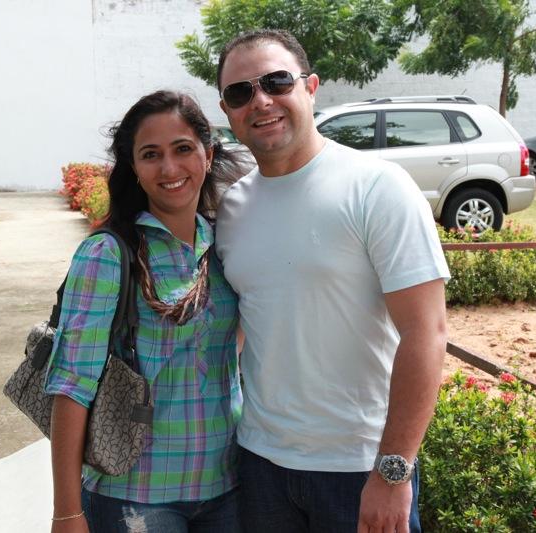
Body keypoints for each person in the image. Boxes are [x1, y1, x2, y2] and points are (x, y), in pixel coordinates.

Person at [215, 29, 451, 533]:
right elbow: (246, 323)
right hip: (259, 464)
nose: (261, 101)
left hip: (359, 468)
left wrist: (393, 471)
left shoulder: (377, 187)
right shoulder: (232, 208)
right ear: (227, 110)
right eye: (240, 92)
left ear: (310, 87)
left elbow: (426, 332)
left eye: (277, 82)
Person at [45, 90, 245, 533]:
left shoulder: (226, 245)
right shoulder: (106, 255)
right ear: (134, 168)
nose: (169, 168)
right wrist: (67, 510)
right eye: (151, 155)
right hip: (134, 495)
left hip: (227, 486)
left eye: (183, 149)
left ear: (208, 155)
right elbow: (72, 385)